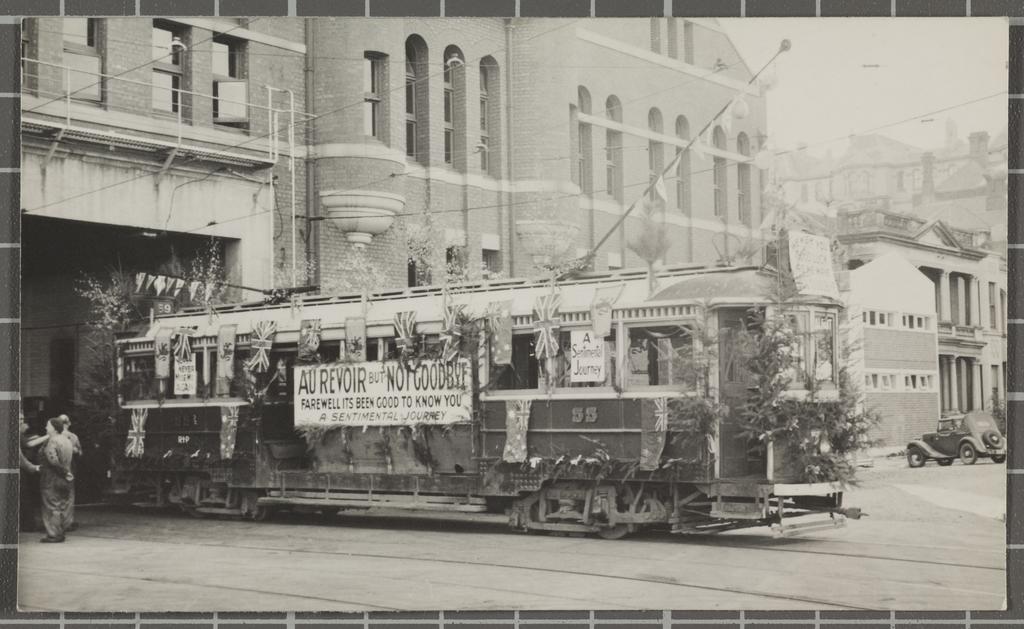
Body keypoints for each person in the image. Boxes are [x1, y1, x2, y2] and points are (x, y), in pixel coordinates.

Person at [39, 417, 74, 543]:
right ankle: (61, 531)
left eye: (48, 426)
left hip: (51, 478)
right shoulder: (67, 440)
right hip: (65, 478)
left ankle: (54, 534)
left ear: (53, 428)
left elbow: (52, 460)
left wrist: (62, 472)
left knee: (51, 506)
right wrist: (67, 473)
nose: (46, 428)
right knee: (61, 505)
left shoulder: (52, 441)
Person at [19, 412, 47, 532]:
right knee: (24, 497)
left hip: (23, 469)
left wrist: (34, 437)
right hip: (21, 470)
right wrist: (48, 436)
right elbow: (27, 446)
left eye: (22, 418)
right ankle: (28, 525)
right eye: (19, 418)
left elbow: (26, 441)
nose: (22, 421)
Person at [57, 414, 82, 532]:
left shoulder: (52, 437)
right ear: (69, 423)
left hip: (56, 468)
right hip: (69, 467)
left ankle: (58, 522)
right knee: (69, 495)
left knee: (56, 495)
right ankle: (67, 522)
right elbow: (80, 452)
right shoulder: (73, 437)